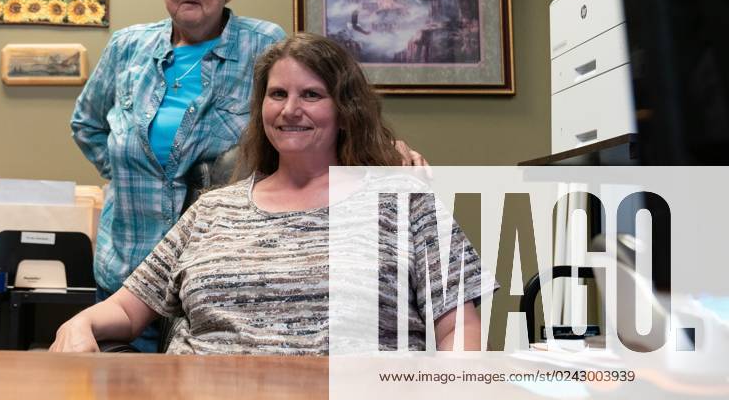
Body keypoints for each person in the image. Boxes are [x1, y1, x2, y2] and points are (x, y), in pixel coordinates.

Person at [70, 0, 426, 353]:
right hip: (127, 264)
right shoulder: (127, 47)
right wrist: (134, 174)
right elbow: (86, 124)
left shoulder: (261, 43)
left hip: (224, 271)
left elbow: (309, 107)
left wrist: (386, 151)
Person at [52, 34, 492, 355]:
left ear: (345, 111)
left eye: (311, 95)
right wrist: (80, 324)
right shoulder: (212, 209)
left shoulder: (405, 201)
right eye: (277, 94)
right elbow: (127, 311)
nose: (290, 110)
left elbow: (459, 330)